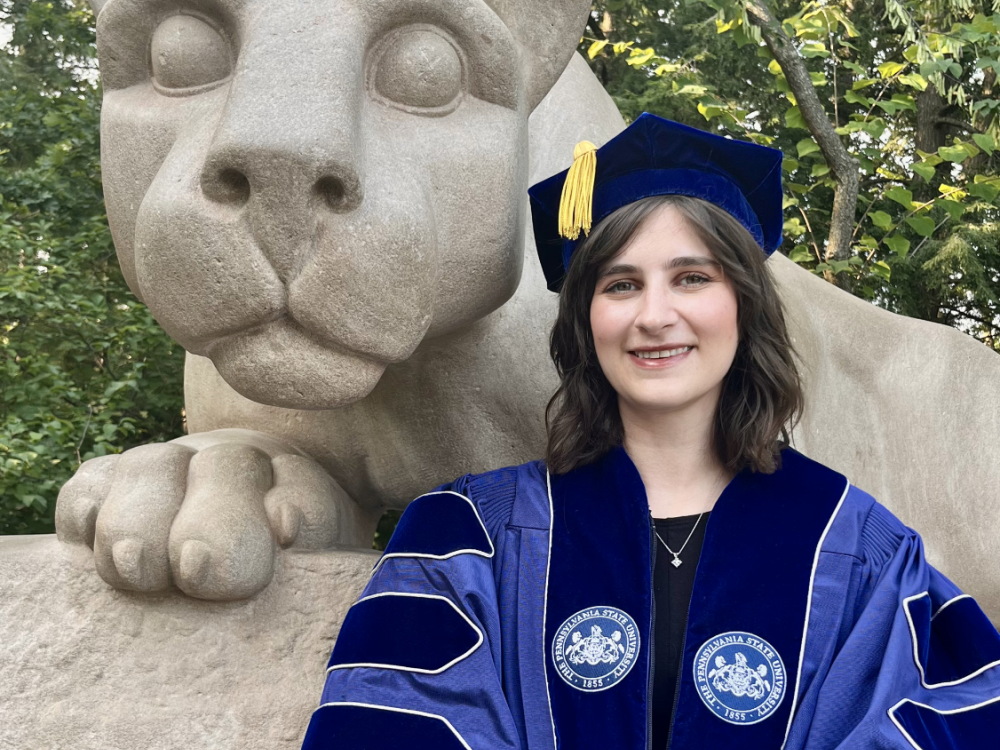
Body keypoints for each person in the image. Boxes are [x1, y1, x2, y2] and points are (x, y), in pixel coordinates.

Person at [300, 114, 1000, 750]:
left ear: (743, 307)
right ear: (587, 320)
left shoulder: (853, 544)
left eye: (692, 278)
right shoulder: (471, 537)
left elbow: (948, 721)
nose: (655, 315)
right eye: (621, 284)